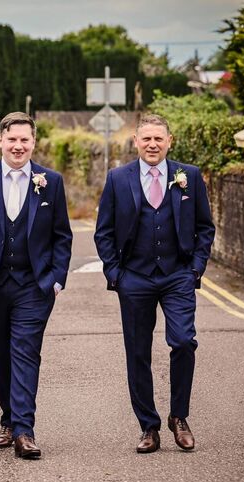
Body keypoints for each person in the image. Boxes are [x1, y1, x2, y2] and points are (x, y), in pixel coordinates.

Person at [94, 113, 215, 453]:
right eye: (146, 138)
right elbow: (104, 230)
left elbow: (205, 227)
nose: (152, 144)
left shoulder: (188, 176)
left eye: (158, 139)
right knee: (138, 353)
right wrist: (115, 273)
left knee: (183, 342)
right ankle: (148, 426)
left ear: (169, 141)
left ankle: (179, 417)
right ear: (136, 142)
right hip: (134, 277)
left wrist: (194, 269)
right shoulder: (118, 178)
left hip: (178, 275)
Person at [0, 112, 72, 459]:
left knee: (25, 352)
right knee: (0, 353)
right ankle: (8, 420)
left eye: (25, 140)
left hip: (33, 286)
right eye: (12, 140)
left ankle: (24, 430)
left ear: (33, 143)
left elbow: (62, 236)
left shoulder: (51, 181)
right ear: (0, 142)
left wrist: (55, 280)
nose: (18, 146)